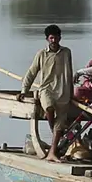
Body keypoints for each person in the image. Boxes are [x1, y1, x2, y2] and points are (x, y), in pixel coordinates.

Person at [18, 24, 74, 162]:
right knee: (48, 108)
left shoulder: (66, 52)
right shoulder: (41, 54)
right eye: (51, 38)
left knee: (60, 124)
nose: (54, 41)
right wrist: (24, 91)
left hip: (63, 91)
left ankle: (53, 153)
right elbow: (31, 72)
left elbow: (70, 72)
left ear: (60, 38)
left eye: (56, 38)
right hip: (46, 89)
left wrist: (72, 93)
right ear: (47, 39)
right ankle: (52, 130)